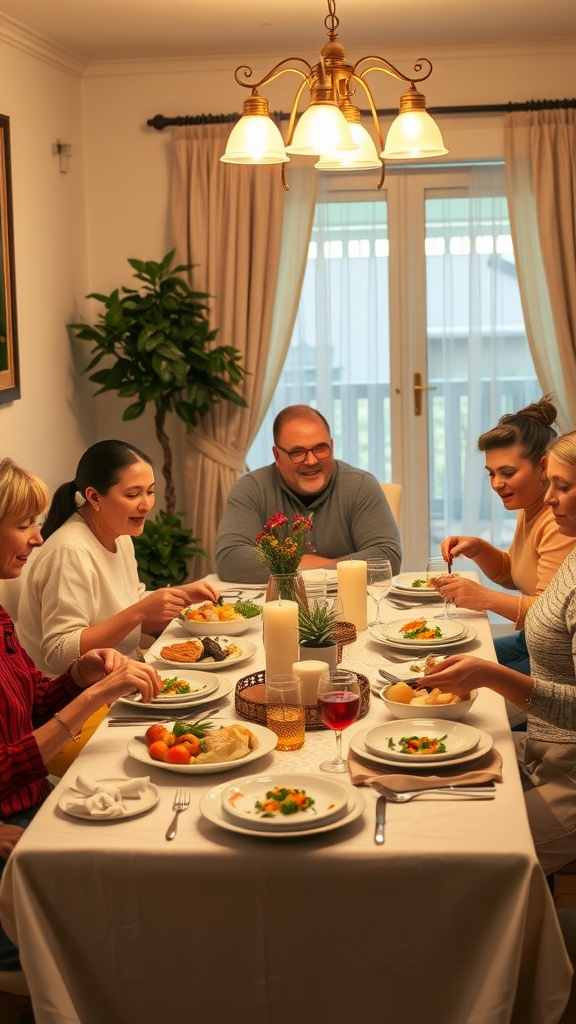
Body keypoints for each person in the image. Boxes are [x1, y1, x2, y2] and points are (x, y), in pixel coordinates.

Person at [0, 456, 162, 969]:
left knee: (148, 862)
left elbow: (27, 705)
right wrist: (93, 698)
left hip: (33, 805)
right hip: (14, 832)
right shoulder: (70, 549)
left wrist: (77, 677)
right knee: (129, 928)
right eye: (24, 525)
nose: (37, 538)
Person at [426, 428, 576, 875]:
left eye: (562, 487)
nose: (549, 499)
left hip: (568, 772)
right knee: (432, 771)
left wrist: (491, 676)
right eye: (551, 484)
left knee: (468, 862)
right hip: (546, 748)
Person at [17, 440, 218, 768]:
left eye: (150, 491)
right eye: (133, 494)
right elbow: (60, 652)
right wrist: (142, 609)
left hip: (119, 686)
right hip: (71, 711)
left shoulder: (119, 534)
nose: (146, 504)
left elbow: (131, 612)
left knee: (206, 719)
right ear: (94, 497)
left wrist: (181, 601)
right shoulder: (70, 551)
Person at [434, 397, 576, 677]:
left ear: (544, 467)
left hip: (553, 654)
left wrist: (485, 598)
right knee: (442, 664)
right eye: (491, 473)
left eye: (508, 472)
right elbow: (516, 575)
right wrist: (479, 549)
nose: (497, 484)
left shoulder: (560, 520)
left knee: (460, 681)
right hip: (530, 641)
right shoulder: (529, 506)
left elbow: (550, 617)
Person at [215, 405, 402, 583]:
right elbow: (230, 559)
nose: (311, 461)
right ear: (277, 456)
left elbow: (387, 557)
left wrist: (302, 565)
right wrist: (327, 565)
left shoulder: (360, 485)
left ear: (332, 447)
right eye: (298, 452)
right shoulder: (251, 488)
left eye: (320, 449)